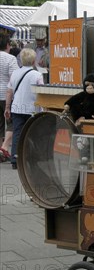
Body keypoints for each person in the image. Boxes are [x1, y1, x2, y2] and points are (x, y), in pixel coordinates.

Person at [5, 48, 44, 169]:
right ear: (33, 61)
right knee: (32, 133)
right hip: (32, 108)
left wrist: (7, 107)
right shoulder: (37, 75)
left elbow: (9, 92)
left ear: (21, 61)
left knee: (17, 133)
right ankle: (31, 159)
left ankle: (15, 159)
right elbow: (40, 93)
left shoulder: (15, 73)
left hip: (17, 108)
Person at [0, 34, 18, 162]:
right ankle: (4, 147)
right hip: (6, 95)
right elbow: (14, 79)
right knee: (11, 122)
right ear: (7, 45)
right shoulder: (11, 59)